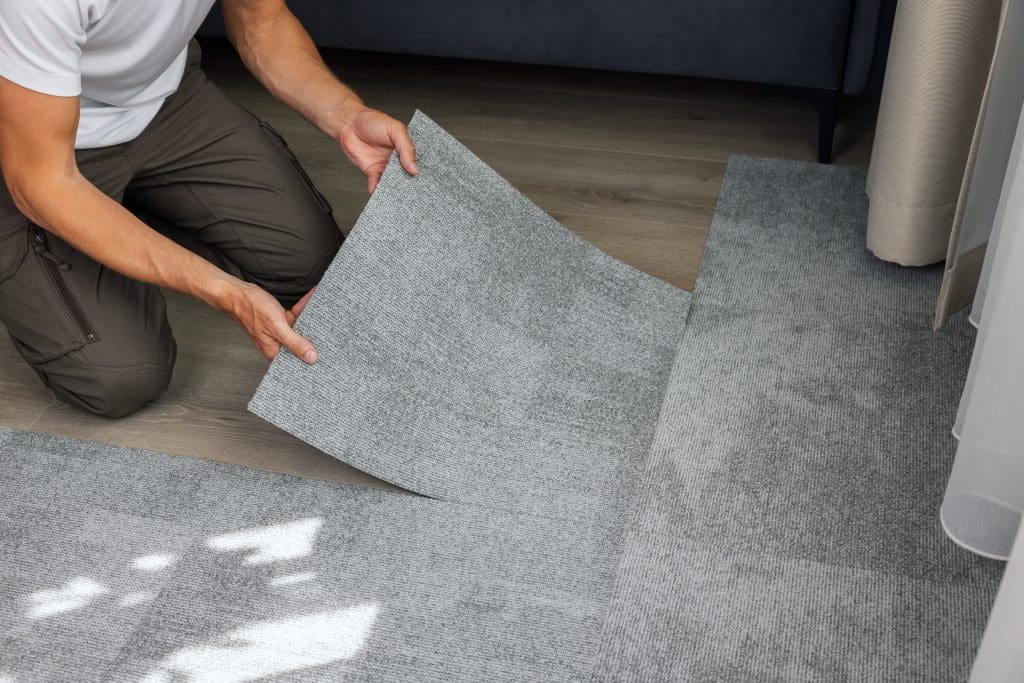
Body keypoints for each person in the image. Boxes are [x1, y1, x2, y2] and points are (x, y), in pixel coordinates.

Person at [0, 1, 418, 418]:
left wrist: (348, 117)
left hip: (165, 105)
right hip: (37, 150)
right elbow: (45, 182)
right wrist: (227, 293)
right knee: (121, 376)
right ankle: (109, 228)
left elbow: (263, 22)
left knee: (319, 277)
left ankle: (131, 218)